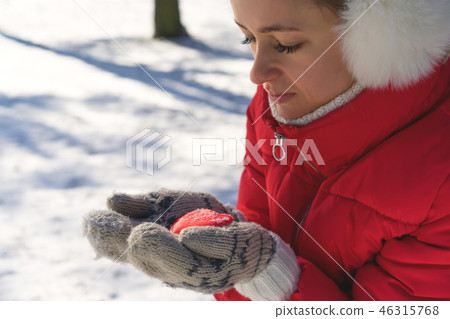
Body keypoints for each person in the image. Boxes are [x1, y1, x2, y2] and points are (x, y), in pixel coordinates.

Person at [83, 0, 450, 301]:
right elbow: (264, 227)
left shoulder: (440, 178)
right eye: (249, 40)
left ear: (384, 40)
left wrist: (270, 274)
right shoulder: (270, 110)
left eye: (286, 45)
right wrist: (223, 236)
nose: (257, 74)